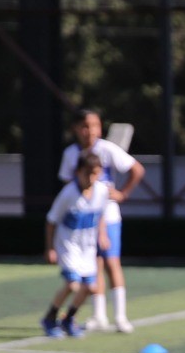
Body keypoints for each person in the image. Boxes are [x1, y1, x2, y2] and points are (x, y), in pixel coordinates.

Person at [58, 108, 143, 333]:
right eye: (85, 126)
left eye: (95, 125)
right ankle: (99, 315)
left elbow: (136, 169)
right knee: (93, 266)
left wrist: (122, 193)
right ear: (76, 129)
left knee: (112, 262)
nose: (90, 131)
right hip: (86, 219)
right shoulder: (70, 154)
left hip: (109, 216)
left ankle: (121, 316)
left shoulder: (106, 149)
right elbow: (69, 187)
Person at [41, 151, 109, 338]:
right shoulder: (68, 194)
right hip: (68, 245)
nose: (91, 178)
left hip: (88, 247)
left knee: (91, 288)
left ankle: (68, 319)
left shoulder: (102, 191)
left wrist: (102, 234)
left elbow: (101, 214)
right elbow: (51, 220)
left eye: (95, 173)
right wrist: (50, 248)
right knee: (72, 285)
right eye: (88, 173)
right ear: (78, 172)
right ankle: (49, 317)